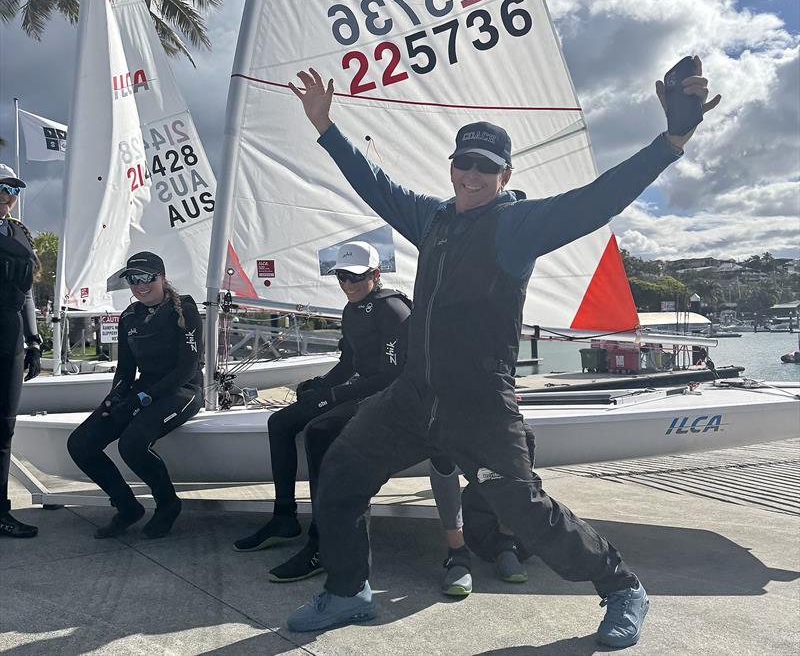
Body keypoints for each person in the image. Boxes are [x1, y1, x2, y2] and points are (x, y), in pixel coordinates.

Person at [284, 59, 721, 646]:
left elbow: (597, 200)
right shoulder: (433, 220)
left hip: (479, 407)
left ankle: (622, 587)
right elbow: (376, 185)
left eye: (484, 167)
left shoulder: (518, 226)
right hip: (414, 397)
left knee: (526, 513)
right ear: (453, 166)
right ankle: (347, 592)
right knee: (339, 472)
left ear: (503, 173)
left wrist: (671, 142)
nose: (471, 175)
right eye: (463, 162)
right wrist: (325, 126)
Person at [232, 241, 469, 593]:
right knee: (279, 423)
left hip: (390, 399)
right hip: (361, 390)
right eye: (342, 277)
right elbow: (349, 364)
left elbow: (390, 376)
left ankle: (322, 541)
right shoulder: (352, 309)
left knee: (318, 433)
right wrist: (321, 384)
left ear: (375, 274)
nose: (348, 284)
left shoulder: (393, 310)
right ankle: (284, 517)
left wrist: (333, 395)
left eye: (356, 277)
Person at [67, 251, 202, 539]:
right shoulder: (129, 316)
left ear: (162, 278)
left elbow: (187, 369)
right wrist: (114, 399)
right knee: (80, 444)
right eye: (133, 279)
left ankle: (167, 504)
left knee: (132, 444)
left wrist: (143, 399)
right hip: (145, 389)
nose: (140, 285)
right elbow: (126, 371)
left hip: (184, 389)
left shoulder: (185, 310)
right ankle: (127, 507)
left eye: (146, 278)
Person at [0, 165, 42, 538]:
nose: (9, 195)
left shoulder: (18, 233)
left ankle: (1, 511)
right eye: (3, 188)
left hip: (10, 335)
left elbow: (27, 292)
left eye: (14, 189)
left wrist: (34, 339)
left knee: (4, 427)